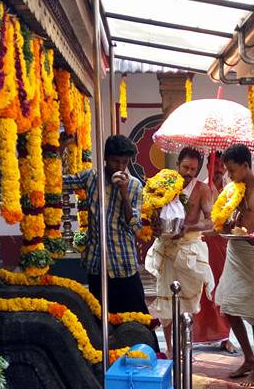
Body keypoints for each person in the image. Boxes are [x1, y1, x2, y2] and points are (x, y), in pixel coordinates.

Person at [62, 134, 148, 314]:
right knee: (100, 319)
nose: (120, 167)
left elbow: (135, 227)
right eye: (115, 161)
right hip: (96, 264)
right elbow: (59, 182)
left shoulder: (134, 186)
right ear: (105, 158)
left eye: (125, 162)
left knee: (137, 320)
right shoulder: (92, 177)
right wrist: (60, 149)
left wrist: (124, 194)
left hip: (124, 265)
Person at [214, 144, 254, 387]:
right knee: (228, 307)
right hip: (234, 251)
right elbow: (224, 224)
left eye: (232, 170)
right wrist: (228, 222)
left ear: (245, 165)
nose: (229, 175)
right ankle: (248, 357)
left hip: (253, 254)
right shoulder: (231, 190)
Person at [145, 147, 215, 355]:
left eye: (193, 169)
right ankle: (169, 346)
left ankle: (185, 344)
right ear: (177, 165)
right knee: (165, 296)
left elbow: (211, 222)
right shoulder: (163, 183)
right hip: (166, 248)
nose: (189, 172)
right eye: (185, 167)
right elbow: (150, 212)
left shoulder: (202, 189)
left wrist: (189, 228)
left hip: (189, 249)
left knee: (189, 301)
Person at [192, 153, 235, 353]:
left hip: (223, 247)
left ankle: (226, 336)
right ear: (207, 165)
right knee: (200, 290)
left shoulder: (231, 190)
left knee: (223, 290)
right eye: (214, 164)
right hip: (202, 244)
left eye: (221, 165)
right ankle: (196, 333)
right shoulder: (200, 188)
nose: (218, 169)